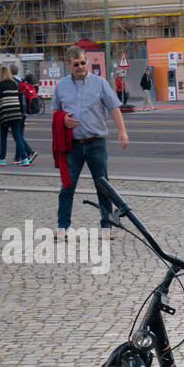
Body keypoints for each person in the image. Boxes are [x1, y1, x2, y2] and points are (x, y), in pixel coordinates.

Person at [52, 45, 129, 236]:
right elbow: (55, 111)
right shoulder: (61, 85)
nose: (81, 67)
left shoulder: (100, 83)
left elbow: (113, 107)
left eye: (83, 62)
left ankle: (106, 226)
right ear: (68, 64)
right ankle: (62, 227)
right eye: (76, 64)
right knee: (67, 186)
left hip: (96, 144)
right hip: (73, 145)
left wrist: (122, 131)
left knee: (103, 186)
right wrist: (62, 118)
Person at [0, 67, 35, 165]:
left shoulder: (1, 84)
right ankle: (25, 159)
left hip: (5, 114)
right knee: (17, 137)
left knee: (3, 137)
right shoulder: (14, 84)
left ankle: (2, 159)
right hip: (16, 113)